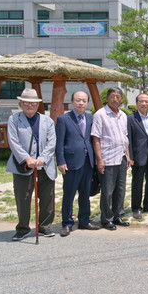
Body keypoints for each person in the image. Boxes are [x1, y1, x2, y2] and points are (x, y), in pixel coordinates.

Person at [7, 88, 57, 241]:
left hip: (45, 165)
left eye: (33, 103)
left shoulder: (47, 120)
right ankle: (22, 228)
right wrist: (26, 158)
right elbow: (13, 142)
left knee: (47, 197)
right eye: (26, 103)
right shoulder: (14, 119)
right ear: (21, 104)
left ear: (38, 105)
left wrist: (42, 157)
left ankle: (45, 226)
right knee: (23, 197)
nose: (30, 105)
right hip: (23, 165)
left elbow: (51, 141)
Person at [56, 91, 99, 237]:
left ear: (87, 103)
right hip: (71, 163)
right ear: (72, 102)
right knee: (69, 194)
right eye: (78, 100)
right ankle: (67, 223)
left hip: (88, 162)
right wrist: (60, 161)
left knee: (85, 193)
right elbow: (59, 142)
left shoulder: (90, 118)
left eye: (84, 100)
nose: (81, 103)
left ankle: (84, 220)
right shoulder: (63, 119)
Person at [92, 87, 131, 230]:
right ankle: (106, 219)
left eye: (118, 96)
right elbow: (96, 138)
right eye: (112, 96)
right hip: (107, 158)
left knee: (120, 190)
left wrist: (128, 156)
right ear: (107, 98)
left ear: (121, 99)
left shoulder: (123, 115)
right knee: (107, 191)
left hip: (121, 157)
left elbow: (124, 137)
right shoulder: (100, 114)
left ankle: (117, 215)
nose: (115, 99)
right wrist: (99, 159)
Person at [127, 93, 148, 219]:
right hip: (137, 156)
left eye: (146, 101)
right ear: (137, 103)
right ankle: (136, 207)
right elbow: (128, 138)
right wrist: (130, 157)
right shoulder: (130, 118)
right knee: (137, 183)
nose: (144, 104)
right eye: (141, 101)